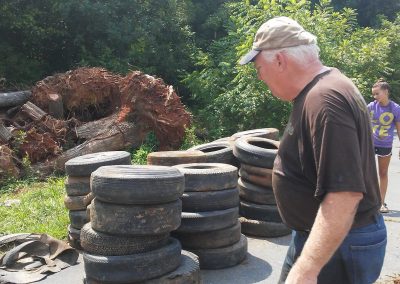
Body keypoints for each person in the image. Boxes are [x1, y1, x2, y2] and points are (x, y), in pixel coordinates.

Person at [240, 16, 386, 284]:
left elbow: (345, 194)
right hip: (321, 235)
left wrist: (307, 268)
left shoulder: (325, 100)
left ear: (280, 61)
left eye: (259, 69)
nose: (260, 77)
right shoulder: (319, 90)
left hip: (339, 243)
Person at [367, 79, 400, 213]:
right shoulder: (370, 106)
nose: (375, 97)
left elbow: (399, 129)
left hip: (385, 145)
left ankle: (381, 202)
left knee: (383, 173)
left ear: (385, 92)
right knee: (367, 173)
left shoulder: (395, 109)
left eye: (377, 94)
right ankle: (367, 201)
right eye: (373, 94)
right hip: (369, 143)